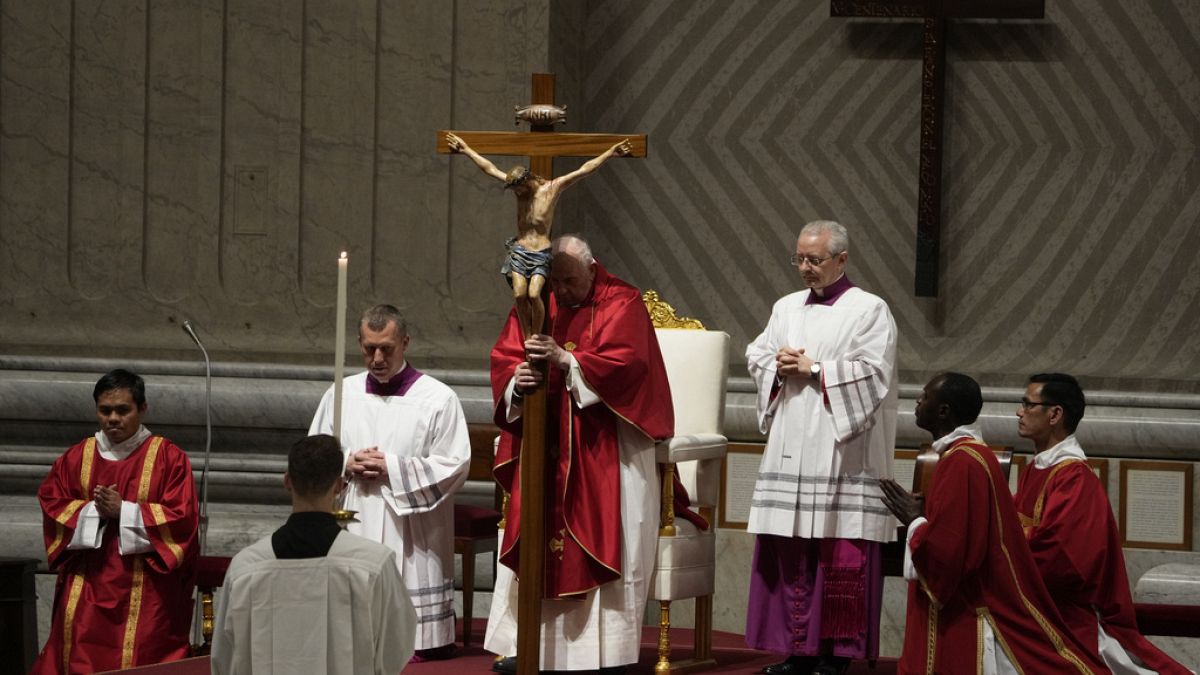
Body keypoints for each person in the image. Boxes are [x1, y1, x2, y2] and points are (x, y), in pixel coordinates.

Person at [483, 234, 674, 672]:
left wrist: (568, 361)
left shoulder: (621, 302)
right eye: (556, 282)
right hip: (545, 444)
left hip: (607, 446)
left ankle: (601, 653)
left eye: (570, 282)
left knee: (605, 538)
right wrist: (518, 382)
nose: (562, 292)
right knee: (534, 534)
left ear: (592, 268)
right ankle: (531, 646)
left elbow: (629, 365)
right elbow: (505, 356)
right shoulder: (537, 302)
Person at [743, 220, 898, 675]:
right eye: (800, 259)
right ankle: (797, 651)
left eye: (815, 260)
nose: (805, 268)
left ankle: (835, 656)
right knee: (792, 554)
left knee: (837, 554)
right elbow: (757, 353)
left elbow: (875, 374)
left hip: (842, 452)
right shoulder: (786, 307)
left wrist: (815, 370)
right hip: (792, 444)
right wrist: (777, 364)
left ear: (842, 259)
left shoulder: (870, 310)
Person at [879, 373, 1112, 674]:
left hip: (1005, 605)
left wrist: (916, 523)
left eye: (1028, 404)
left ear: (943, 410)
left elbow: (953, 552)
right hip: (998, 594)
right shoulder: (974, 458)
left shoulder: (965, 461)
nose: (1019, 411)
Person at [308, 304, 471, 658]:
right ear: (359, 344)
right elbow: (314, 453)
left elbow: (455, 464)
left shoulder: (438, 398)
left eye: (387, 348)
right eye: (369, 349)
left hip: (412, 526)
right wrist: (346, 461)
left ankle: (415, 639)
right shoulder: (340, 393)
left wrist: (392, 468)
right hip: (355, 513)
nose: (377, 358)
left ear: (406, 342)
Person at [1015, 373, 1190, 674]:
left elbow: (1060, 553)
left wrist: (1001, 548)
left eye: (1028, 404)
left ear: (1055, 414)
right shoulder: (1038, 468)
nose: (1019, 412)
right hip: (1033, 602)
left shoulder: (1074, 477)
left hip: (1064, 614)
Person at [31, 369, 199, 674]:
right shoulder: (76, 457)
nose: (112, 419)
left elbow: (182, 518)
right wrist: (95, 511)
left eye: (123, 410)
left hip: (147, 591)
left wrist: (125, 511)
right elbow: (52, 503)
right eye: (105, 410)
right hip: (88, 586)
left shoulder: (168, 458)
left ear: (143, 409)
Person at [211, 434, 417, 674]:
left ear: (287, 481)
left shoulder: (244, 568)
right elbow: (396, 646)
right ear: (340, 486)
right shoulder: (373, 564)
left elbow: (224, 657)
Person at [445, 131, 631, 338]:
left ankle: (536, 335)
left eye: (518, 189)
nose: (516, 193)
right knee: (519, 294)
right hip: (520, 250)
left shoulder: (551, 189)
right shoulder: (519, 191)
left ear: (527, 181)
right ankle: (527, 337)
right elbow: (490, 168)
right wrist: (466, 150)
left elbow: (583, 170)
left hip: (540, 253)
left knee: (534, 295)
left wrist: (610, 153)